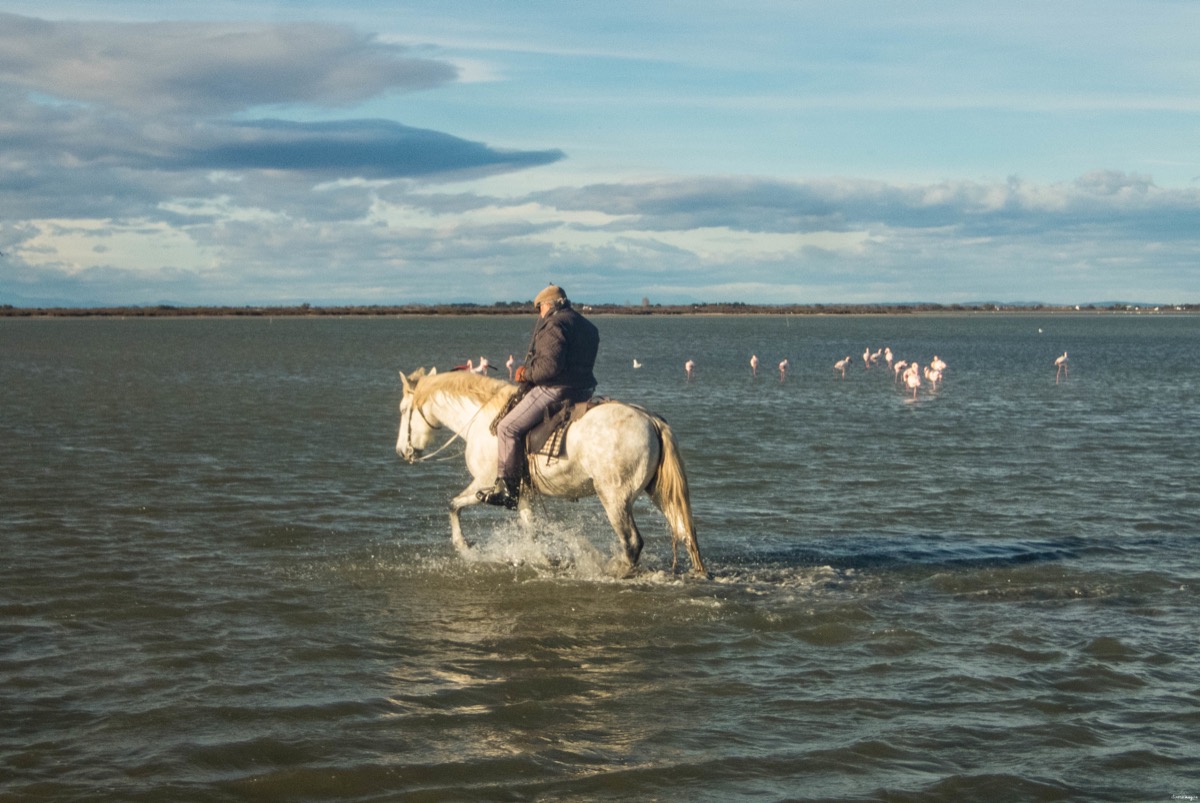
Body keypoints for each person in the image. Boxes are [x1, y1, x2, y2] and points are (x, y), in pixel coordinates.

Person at [477, 284, 599, 509]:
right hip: (584, 390)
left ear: (547, 305)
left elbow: (549, 368)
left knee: (507, 427)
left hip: (557, 389)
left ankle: (509, 489)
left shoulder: (554, 324)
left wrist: (526, 373)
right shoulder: (587, 326)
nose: (539, 314)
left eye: (539, 309)